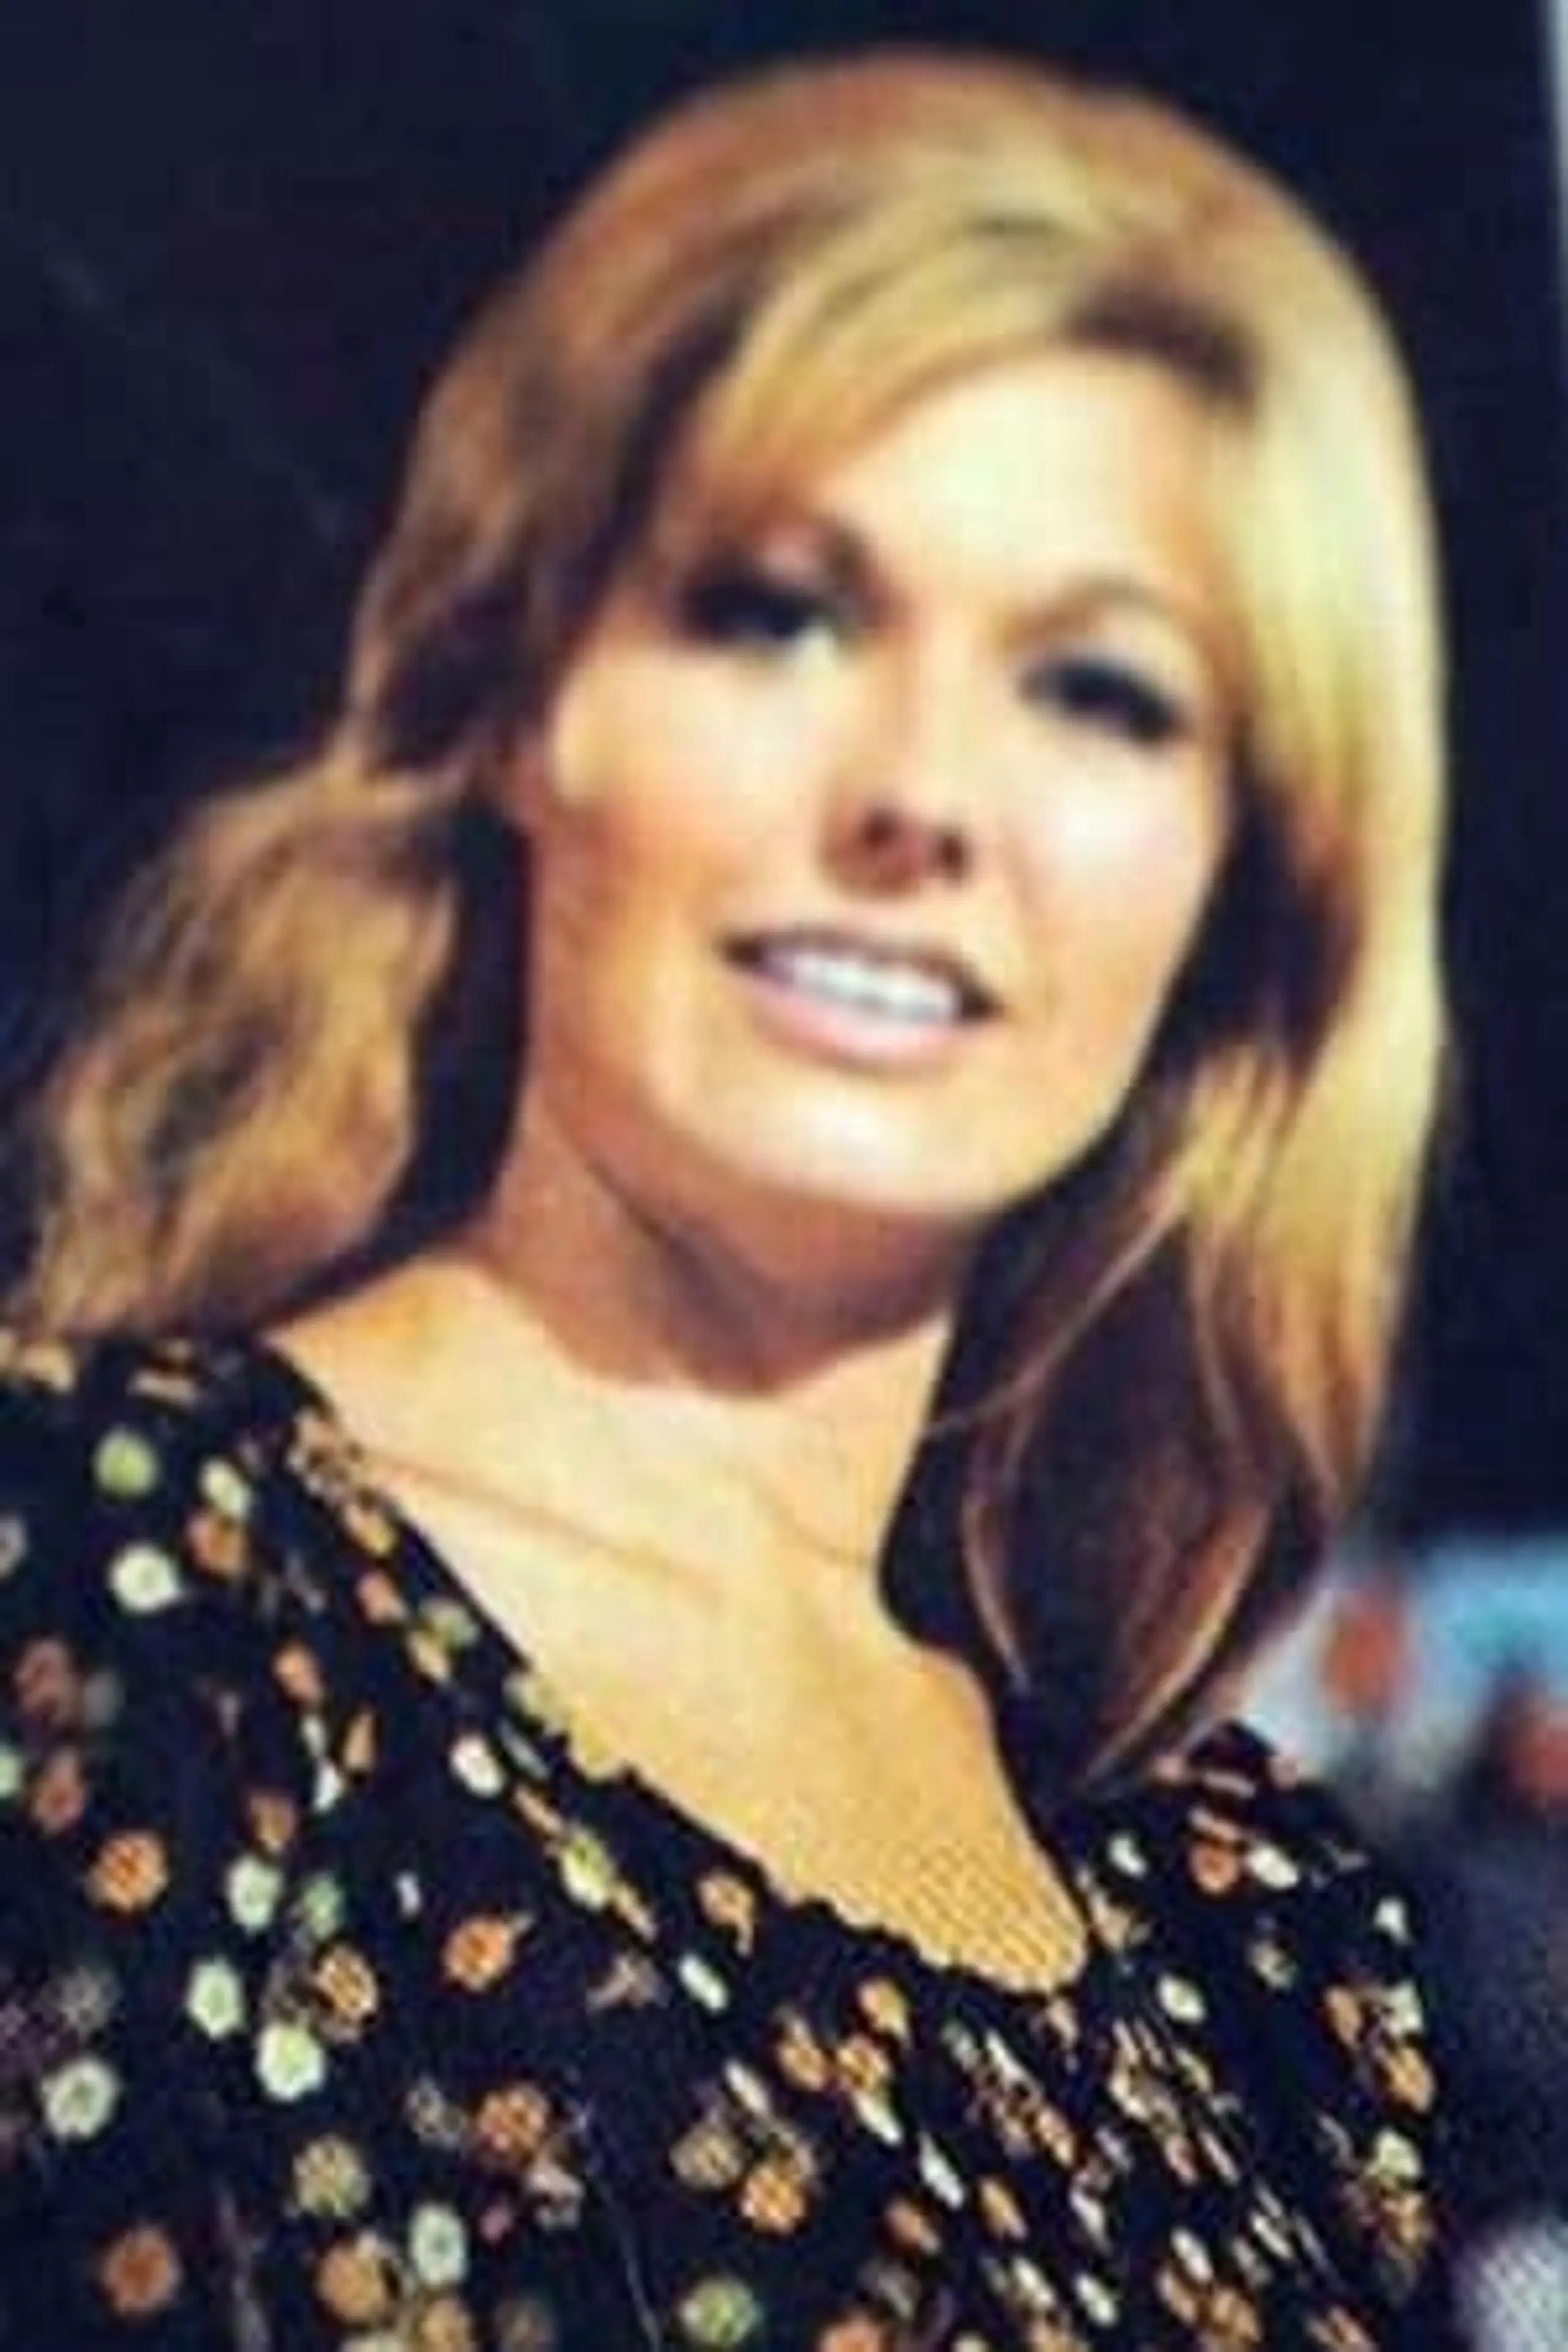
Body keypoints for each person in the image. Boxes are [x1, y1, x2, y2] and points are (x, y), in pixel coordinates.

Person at [0, 45, 1453, 2351]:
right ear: (516, 699)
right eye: (782, 614)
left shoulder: (1257, 1944)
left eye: (1099, 693)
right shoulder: (107, 1598)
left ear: (1237, 894)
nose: (922, 797)